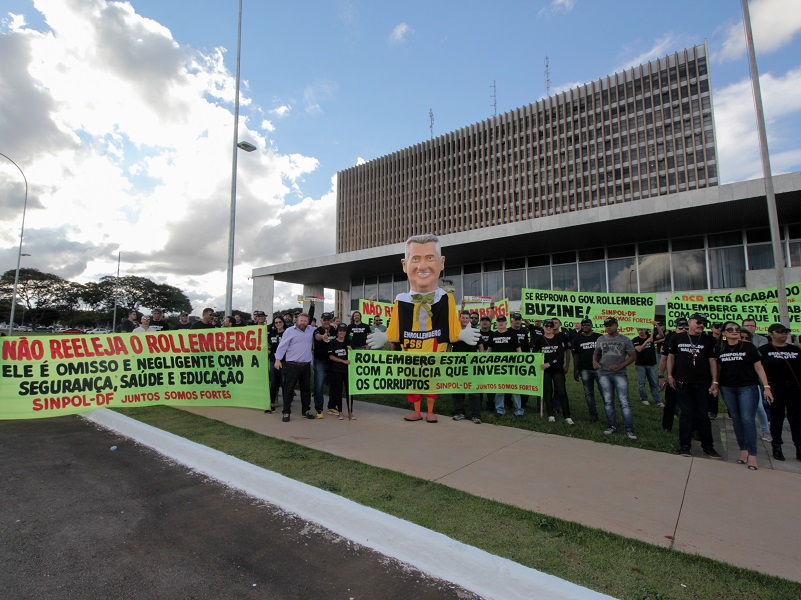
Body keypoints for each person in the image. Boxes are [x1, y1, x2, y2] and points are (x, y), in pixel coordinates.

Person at [367, 233, 479, 422]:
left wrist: (461, 334)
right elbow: (395, 327)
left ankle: (430, 411)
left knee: (432, 378)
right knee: (412, 379)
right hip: (411, 349)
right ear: (404, 264)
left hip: (435, 348)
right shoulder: (401, 300)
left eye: (430, 258)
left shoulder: (446, 298)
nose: (423, 266)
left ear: (441, 262)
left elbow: (452, 327)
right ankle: (417, 410)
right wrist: (384, 337)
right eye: (416, 259)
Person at [715, 321, 772, 470]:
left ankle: (753, 455)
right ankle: (743, 450)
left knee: (748, 420)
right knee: (737, 419)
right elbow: (718, 369)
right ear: (724, 333)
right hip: (728, 388)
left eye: (737, 329)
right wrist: (715, 384)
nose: (734, 331)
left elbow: (759, 368)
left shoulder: (748, 346)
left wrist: (766, 387)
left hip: (748, 387)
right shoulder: (719, 349)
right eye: (730, 329)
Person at [666, 313, 722, 458]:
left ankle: (708, 446)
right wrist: (670, 375)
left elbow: (712, 361)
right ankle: (685, 446)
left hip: (702, 383)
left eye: (703, 323)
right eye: (698, 322)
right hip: (683, 382)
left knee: (703, 415)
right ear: (690, 322)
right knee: (686, 414)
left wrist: (715, 381)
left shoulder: (708, 340)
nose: (701, 325)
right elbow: (671, 357)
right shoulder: (677, 338)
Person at [760, 324, 801, 462]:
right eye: (780, 332)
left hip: (794, 388)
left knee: (796, 419)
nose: (784, 334)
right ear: (771, 334)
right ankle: (777, 447)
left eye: (786, 332)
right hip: (775, 387)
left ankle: (799, 447)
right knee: (777, 419)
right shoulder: (764, 350)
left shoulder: (794, 349)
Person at [593, 317, 637, 439]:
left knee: (624, 401)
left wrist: (620, 366)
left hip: (620, 374)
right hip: (603, 373)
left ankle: (629, 429)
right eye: (606, 325)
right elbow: (596, 353)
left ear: (616, 325)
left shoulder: (625, 339)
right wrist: (594, 362)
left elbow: (632, 356)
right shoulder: (601, 339)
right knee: (608, 400)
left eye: (611, 325)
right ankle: (612, 426)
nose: (608, 327)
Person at [274, 313, 316, 422]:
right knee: (289, 389)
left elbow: (320, 333)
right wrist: (278, 359)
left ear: (308, 322)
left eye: (305, 321)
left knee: (306, 389)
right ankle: (286, 412)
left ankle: (306, 410)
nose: (303, 323)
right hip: (292, 365)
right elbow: (282, 346)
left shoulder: (311, 329)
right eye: (301, 320)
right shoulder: (289, 331)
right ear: (297, 320)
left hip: (306, 365)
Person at [532, 319, 572, 424]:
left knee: (561, 391)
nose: (549, 328)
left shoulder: (558, 339)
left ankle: (567, 415)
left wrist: (550, 363)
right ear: (543, 327)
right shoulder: (539, 340)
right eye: (546, 326)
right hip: (545, 370)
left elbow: (560, 355)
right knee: (548, 392)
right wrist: (539, 362)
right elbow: (535, 353)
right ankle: (550, 414)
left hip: (557, 369)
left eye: (551, 326)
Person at [487, 315, 524, 418]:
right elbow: (489, 351)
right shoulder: (492, 336)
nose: (501, 323)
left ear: (506, 323)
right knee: (499, 389)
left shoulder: (512, 334)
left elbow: (518, 349)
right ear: (496, 323)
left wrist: (520, 362)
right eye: (499, 321)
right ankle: (500, 409)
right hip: (498, 367)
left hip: (512, 366)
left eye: (503, 321)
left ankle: (519, 411)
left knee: (515, 389)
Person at [451, 310, 482, 424]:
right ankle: (459, 412)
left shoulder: (475, 331)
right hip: (458, 367)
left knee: (474, 391)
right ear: (460, 319)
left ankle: (476, 415)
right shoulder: (455, 332)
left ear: (469, 319)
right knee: (458, 390)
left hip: (472, 367)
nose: (464, 320)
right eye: (462, 318)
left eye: (466, 318)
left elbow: (481, 347)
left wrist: (481, 360)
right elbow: (449, 346)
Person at [572, 318, 602, 423]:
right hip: (584, 369)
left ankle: (609, 413)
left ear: (591, 325)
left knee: (604, 392)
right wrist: (575, 370)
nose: (585, 326)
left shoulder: (599, 337)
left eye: (587, 324)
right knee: (589, 394)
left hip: (600, 369)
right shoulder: (578, 339)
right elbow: (576, 356)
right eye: (583, 324)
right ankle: (593, 414)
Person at [313, 312, 337, 418]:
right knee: (319, 385)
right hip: (320, 361)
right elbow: (317, 336)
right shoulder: (318, 330)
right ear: (321, 320)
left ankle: (331, 406)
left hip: (333, 361)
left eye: (328, 319)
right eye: (324, 319)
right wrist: (322, 337)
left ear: (331, 320)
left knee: (334, 384)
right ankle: (319, 409)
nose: (326, 321)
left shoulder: (335, 330)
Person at [633, 324, 663, 407]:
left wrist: (656, 325)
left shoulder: (651, 336)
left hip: (651, 364)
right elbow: (639, 349)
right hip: (640, 364)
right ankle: (644, 399)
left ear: (645, 330)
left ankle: (658, 401)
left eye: (641, 329)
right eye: (638, 330)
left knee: (653, 383)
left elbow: (661, 335)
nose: (640, 331)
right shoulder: (635, 339)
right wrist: (647, 341)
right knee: (641, 383)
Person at [328, 323, 353, 420]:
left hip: (348, 371)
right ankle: (340, 411)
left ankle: (350, 411)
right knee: (338, 391)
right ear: (337, 332)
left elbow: (355, 355)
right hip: (337, 370)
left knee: (349, 391)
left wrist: (351, 350)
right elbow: (331, 356)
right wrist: (343, 361)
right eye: (340, 331)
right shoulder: (333, 342)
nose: (342, 332)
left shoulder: (348, 342)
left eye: (344, 331)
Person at [266, 316, 286, 413]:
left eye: (280, 322)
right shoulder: (272, 333)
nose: (278, 324)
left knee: (284, 382)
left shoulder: (287, 333)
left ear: (283, 322)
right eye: (276, 322)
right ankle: (272, 403)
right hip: (273, 360)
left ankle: (286, 405)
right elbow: (268, 345)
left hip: (284, 360)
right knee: (273, 382)